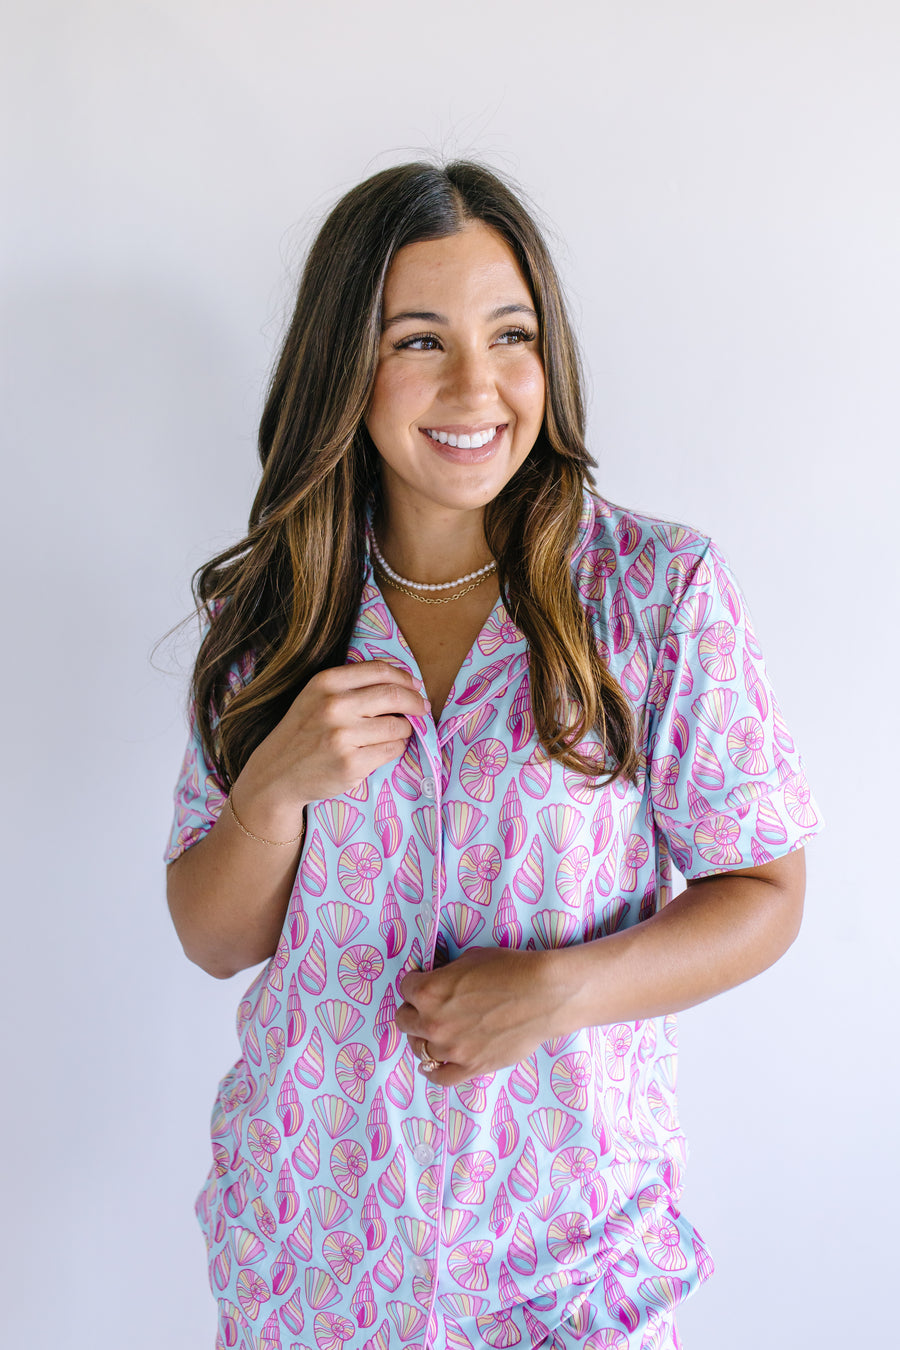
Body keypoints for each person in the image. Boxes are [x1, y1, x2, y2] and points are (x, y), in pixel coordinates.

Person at [166, 161, 822, 1350]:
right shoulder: (272, 613)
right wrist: (273, 789)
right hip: (316, 1261)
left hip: (567, 1265)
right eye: (420, 340)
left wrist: (561, 991)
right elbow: (215, 939)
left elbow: (767, 891)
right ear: (345, 366)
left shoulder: (653, 594)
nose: (476, 385)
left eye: (509, 335)